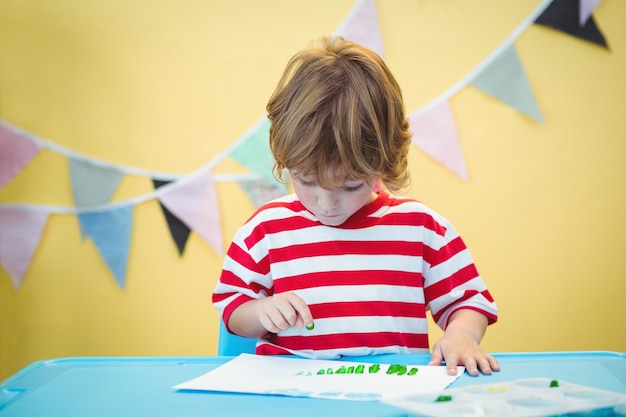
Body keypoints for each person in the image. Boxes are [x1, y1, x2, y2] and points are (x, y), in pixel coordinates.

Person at [213, 36, 499, 376]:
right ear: (285, 160)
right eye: (305, 180)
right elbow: (232, 307)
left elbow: (468, 301)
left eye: (350, 185)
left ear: (382, 164)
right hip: (295, 396)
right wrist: (261, 311)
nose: (326, 203)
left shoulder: (421, 228)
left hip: (392, 394)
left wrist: (462, 336)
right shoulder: (265, 230)